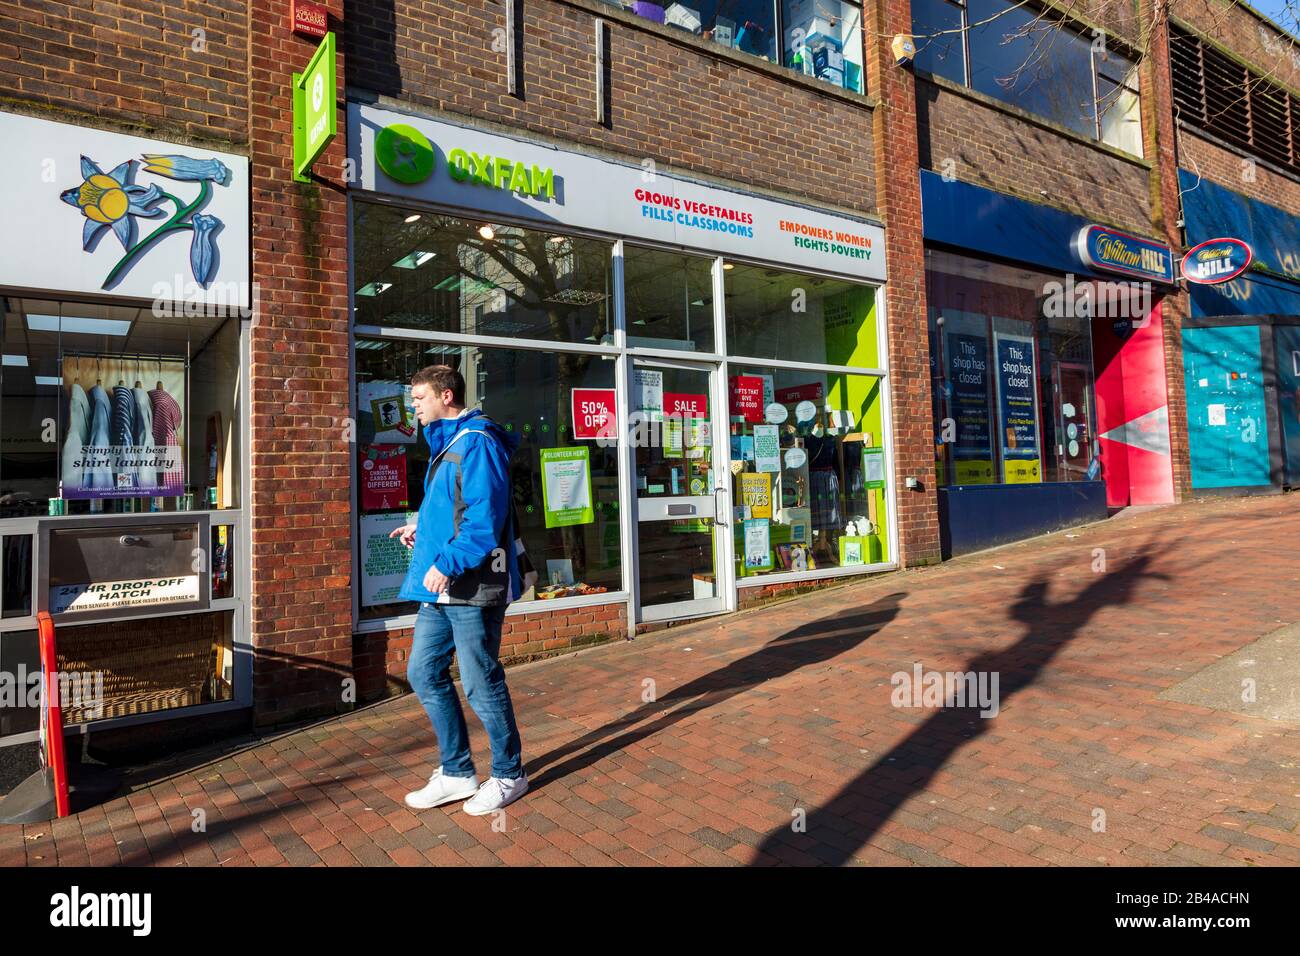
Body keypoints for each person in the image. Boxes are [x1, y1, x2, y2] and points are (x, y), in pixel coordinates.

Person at [389, 365, 528, 815]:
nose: (414, 408)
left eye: (419, 399)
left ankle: (509, 774)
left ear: (446, 396)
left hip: (469, 584)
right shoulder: (447, 441)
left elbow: (484, 521)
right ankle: (457, 772)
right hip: (443, 585)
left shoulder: (479, 442)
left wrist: (445, 562)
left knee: (479, 682)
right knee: (423, 673)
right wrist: (420, 529)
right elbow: (452, 508)